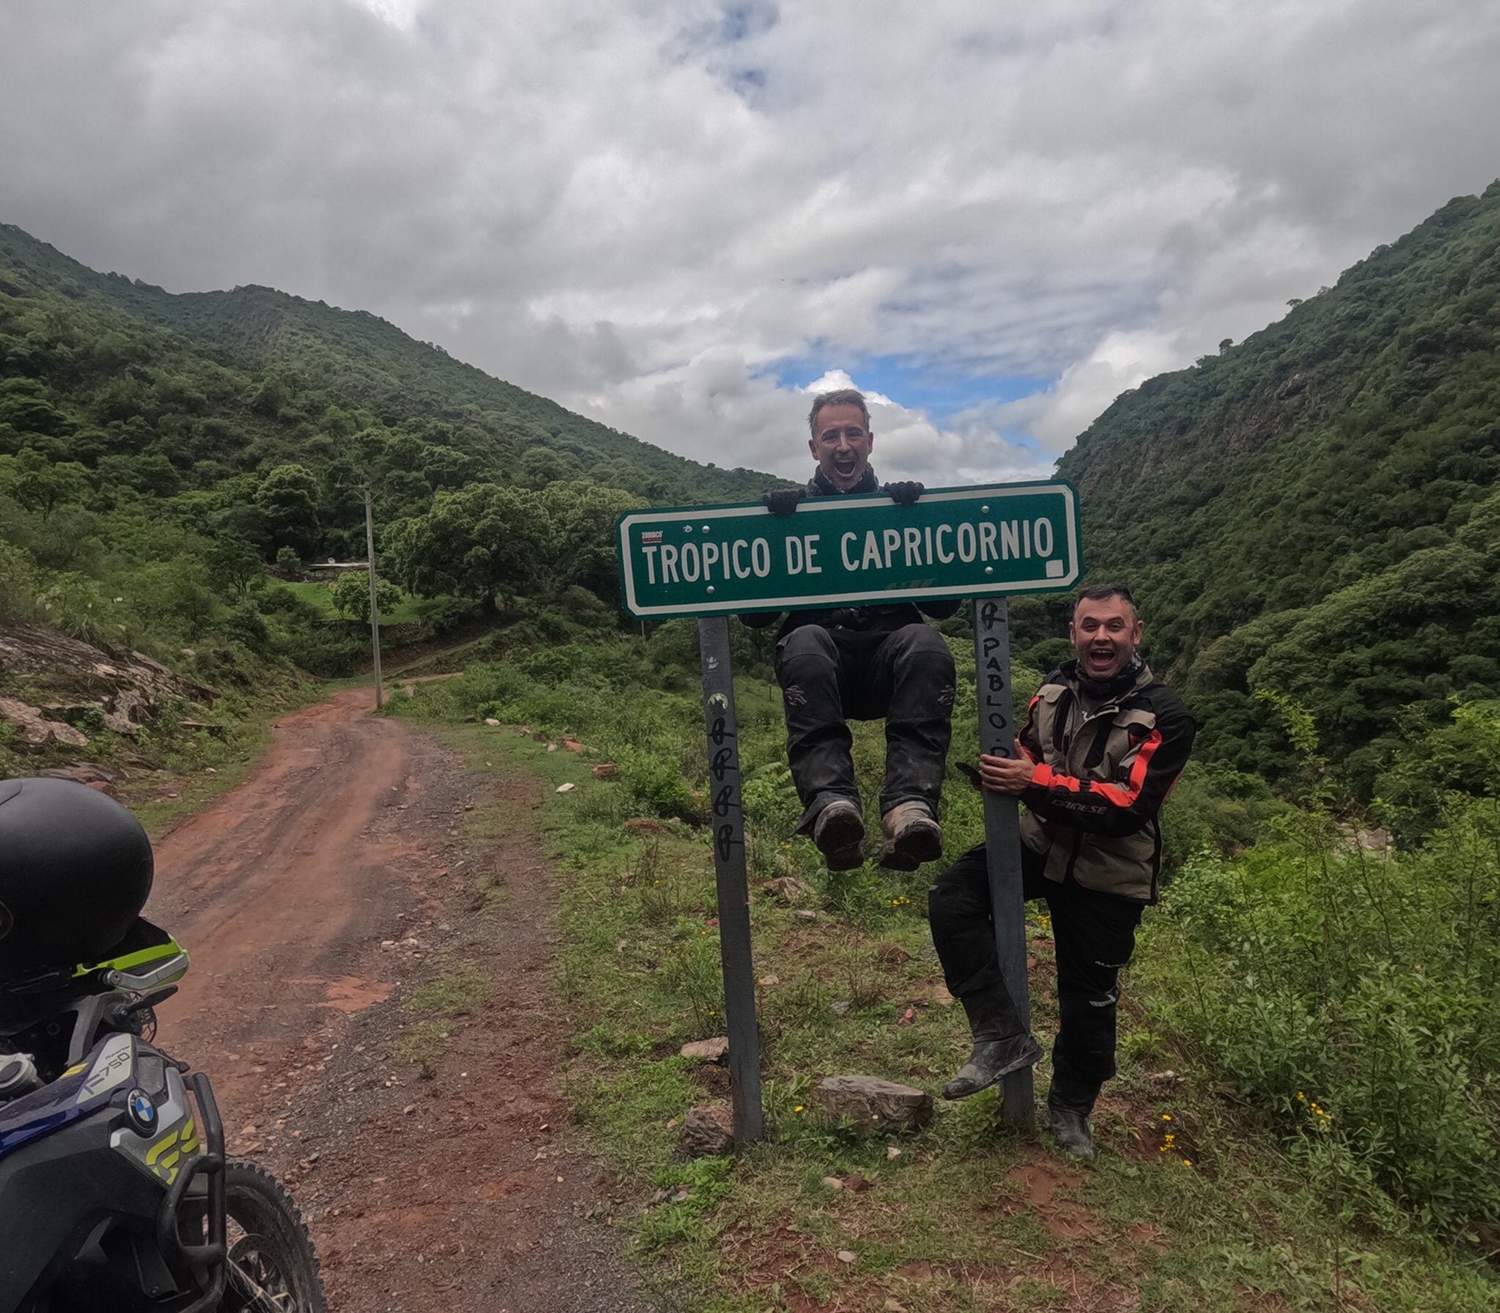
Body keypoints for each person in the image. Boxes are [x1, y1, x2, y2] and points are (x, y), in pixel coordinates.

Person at [927, 584, 1196, 1159]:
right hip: (1039, 844)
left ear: (1136, 633)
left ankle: (1071, 1108)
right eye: (1090, 626)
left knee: (1089, 996)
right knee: (952, 897)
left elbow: (1130, 808)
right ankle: (1000, 1036)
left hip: (1111, 869)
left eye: (1114, 627)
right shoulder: (1050, 692)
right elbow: (1030, 754)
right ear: (1073, 632)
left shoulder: (1166, 714)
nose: (1102, 637)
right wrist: (1007, 771)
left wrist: (1034, 783)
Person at [744, 388, 958, 871]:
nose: (843, 445)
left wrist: (913, 522)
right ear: (814, 448)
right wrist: (775, 531)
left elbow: (944, 607)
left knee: (926, 644)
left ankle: (910, 806)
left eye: (853, 433)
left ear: (870, 441)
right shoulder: (791, 515)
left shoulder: (898, 510)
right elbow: (754, 619)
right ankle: (831, 806)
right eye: (831, 435)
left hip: (891, 664)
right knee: (804, 641)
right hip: (821, 670)